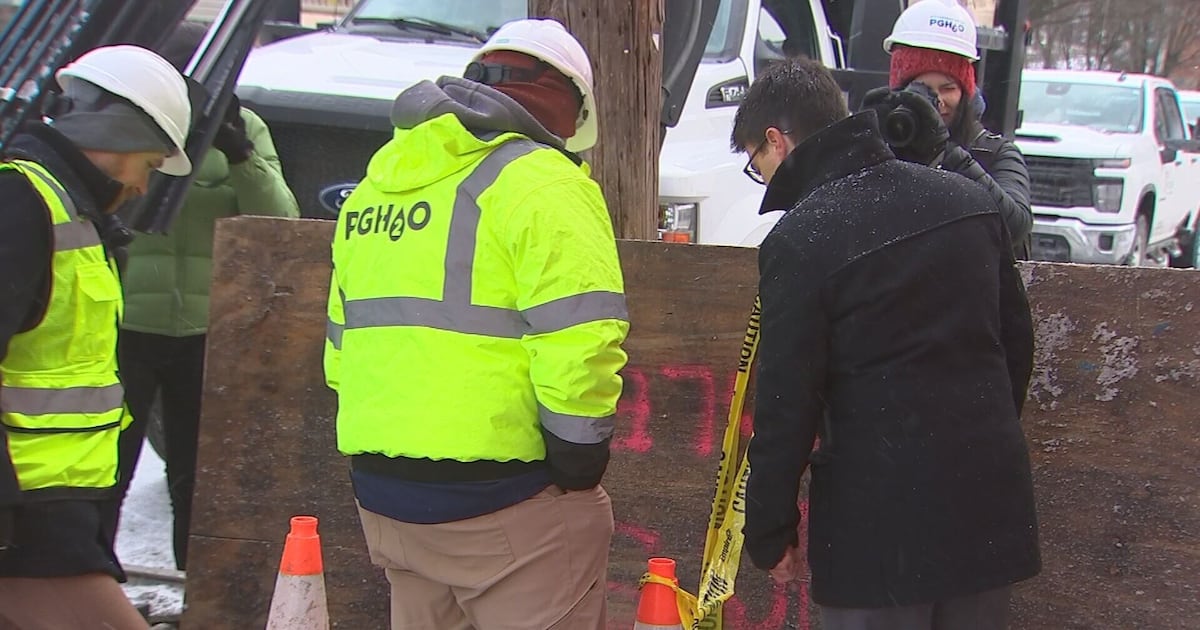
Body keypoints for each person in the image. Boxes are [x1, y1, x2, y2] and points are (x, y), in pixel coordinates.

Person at [323, 18, 628, 629]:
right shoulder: (542, 181)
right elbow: (581, 335)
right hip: (501, 503)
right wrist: (576, 462)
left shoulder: (377, 188)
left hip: (385, 500)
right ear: (562, 103)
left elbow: (342, 345)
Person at [733, 57, 1040, 630]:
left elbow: (787, 402)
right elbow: (1015, 347)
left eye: (756, 163)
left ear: (776, 140)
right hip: (985, 512)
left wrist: (770, 529)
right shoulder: (967, 203)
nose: (764, 179)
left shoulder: (803, 239)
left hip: (874, 530)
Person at [0, 44, 196, 628]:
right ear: (122, 133)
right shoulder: (20, 203)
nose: (143, 186)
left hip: (55, 510)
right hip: (26, 518)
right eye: (152, 163)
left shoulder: (70, 213)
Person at [105, 21, 300, 572]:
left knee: (197, 472)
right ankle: (94, 582)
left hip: (204, 330)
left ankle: (197, 587)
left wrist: (239, 153)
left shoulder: (245, 127)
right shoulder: (131, 125)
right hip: (127, 326)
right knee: (108, 466)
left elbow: (278, 217)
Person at [861, 0, 1033, 259]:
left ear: (966, 93)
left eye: (948, 88)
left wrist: (946, 153)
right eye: (922, 90)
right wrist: (862, 138)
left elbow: (1016, 226)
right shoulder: (880, 149)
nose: (938, 101)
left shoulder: (995, 153)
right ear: (899, 91)